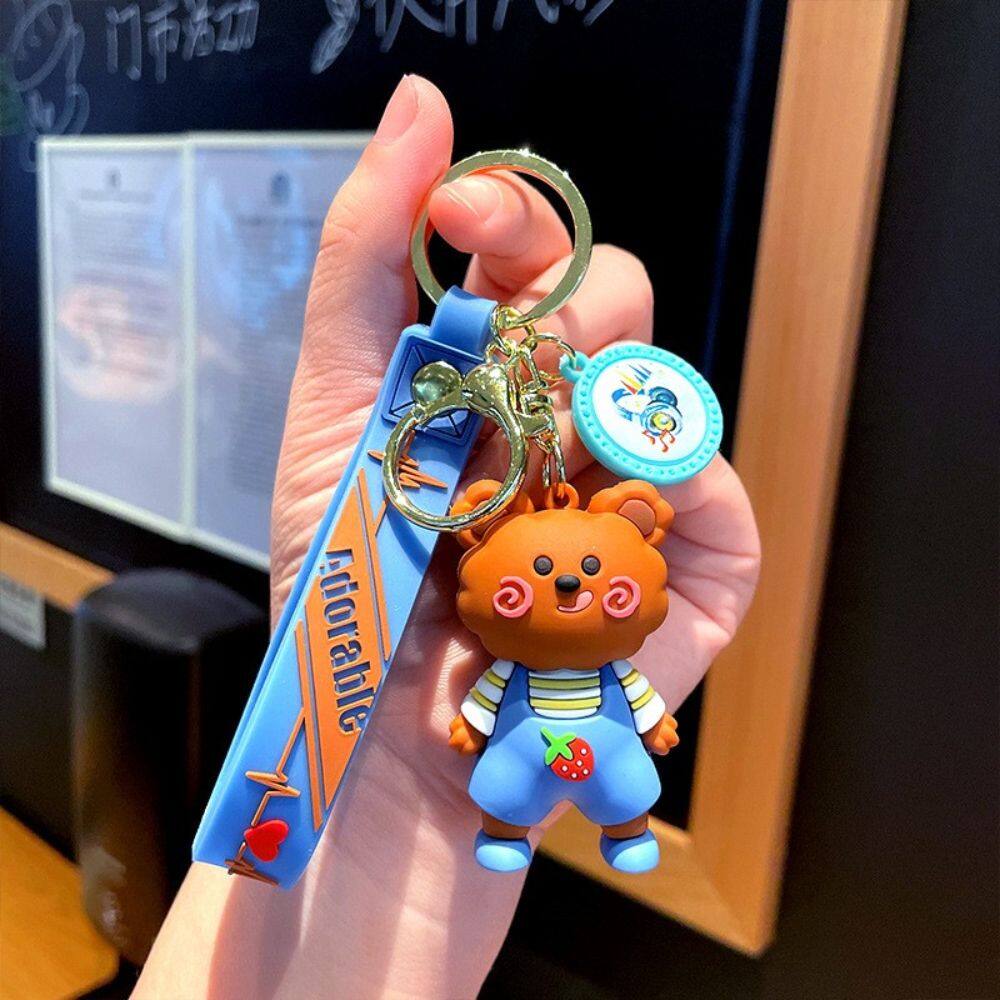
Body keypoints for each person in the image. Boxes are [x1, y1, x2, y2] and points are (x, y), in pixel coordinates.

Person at [135, 75, 760, 999]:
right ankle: (525, 825)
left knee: (620, 784)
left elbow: (618, 690)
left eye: (593, 579)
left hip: (544, 745)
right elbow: (492, 697)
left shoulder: (595, 588)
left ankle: (615, 826)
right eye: (533, 579)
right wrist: (399, 790)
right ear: (481, 537)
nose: (570, 593)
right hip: (476, 740)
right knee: (518, 785)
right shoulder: (457, 518)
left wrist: (406, 824)